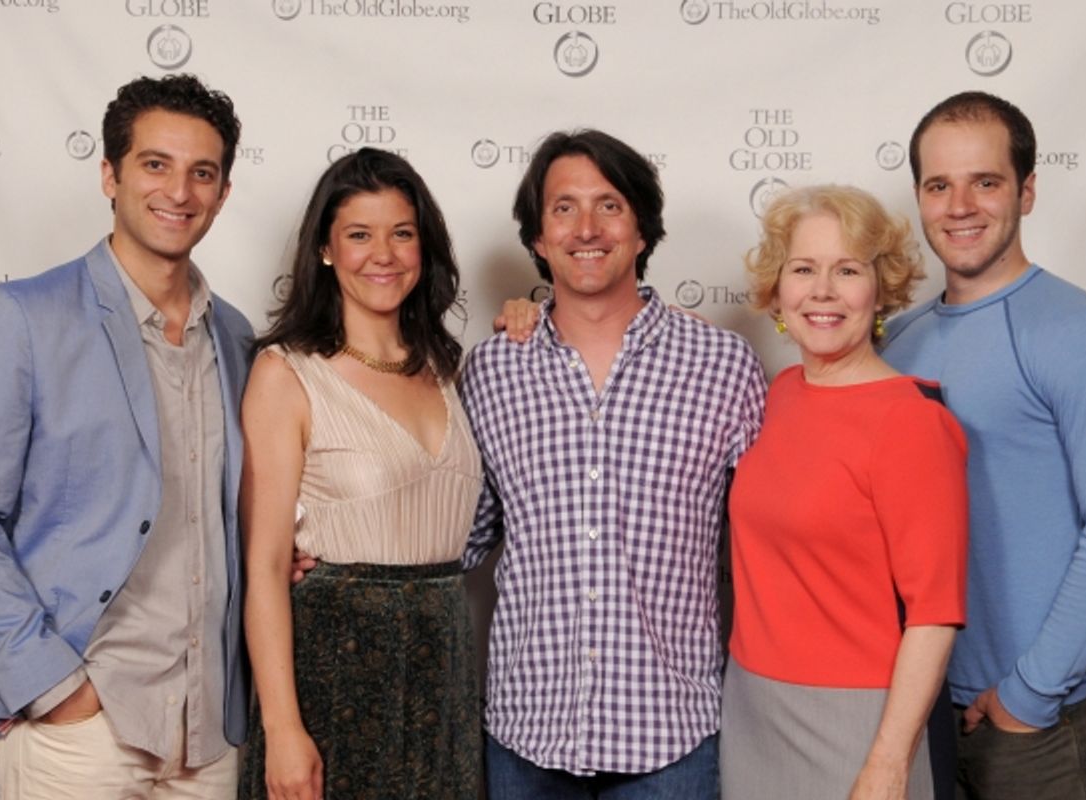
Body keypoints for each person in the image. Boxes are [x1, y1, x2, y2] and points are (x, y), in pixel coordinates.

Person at [0, 74, 252, 798]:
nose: (179, 191)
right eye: (156, 164)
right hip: (81, 727)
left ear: (223, 192)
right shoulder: (19, 318)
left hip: (209, 735)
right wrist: (51, 684)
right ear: (110, 175)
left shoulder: (238, 338)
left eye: (201, 172)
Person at [461, 129, 767, 799]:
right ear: (537, 239)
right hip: (527, 732)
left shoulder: (723, 367)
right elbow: (460, 537)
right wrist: (332, 551)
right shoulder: (490, 371)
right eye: (563, 208)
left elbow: (771, 543)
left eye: (610, 204)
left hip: (673, 736)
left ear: (643, 231)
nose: (586, 227)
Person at [883, 91, 1086, 800]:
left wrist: (1028, 697)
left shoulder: (1076, 334)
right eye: (940, 185)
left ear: (1027, 191)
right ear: (919, 197)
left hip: (1042, 724)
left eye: (986, 182)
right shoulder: (898, 342)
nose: (961, 205)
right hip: (926, 717)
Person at [236, 148, 482, 800]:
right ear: (325, 250)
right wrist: (283, 726)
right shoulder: (286, 374)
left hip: (443, 671)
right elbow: (263, 567)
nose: (384, 253)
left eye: (402, 233)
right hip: (332, 671)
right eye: (359, 234)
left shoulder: (452, 371)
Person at [722, 184, 969, 800]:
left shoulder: (911, 421)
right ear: (779, 288)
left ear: (879, 288)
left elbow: (935, 615)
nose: (823, 291)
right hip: (752, 708)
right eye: (804, 269)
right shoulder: (778, 394)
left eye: (847, 270)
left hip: (861, 717)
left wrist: (888, 762)